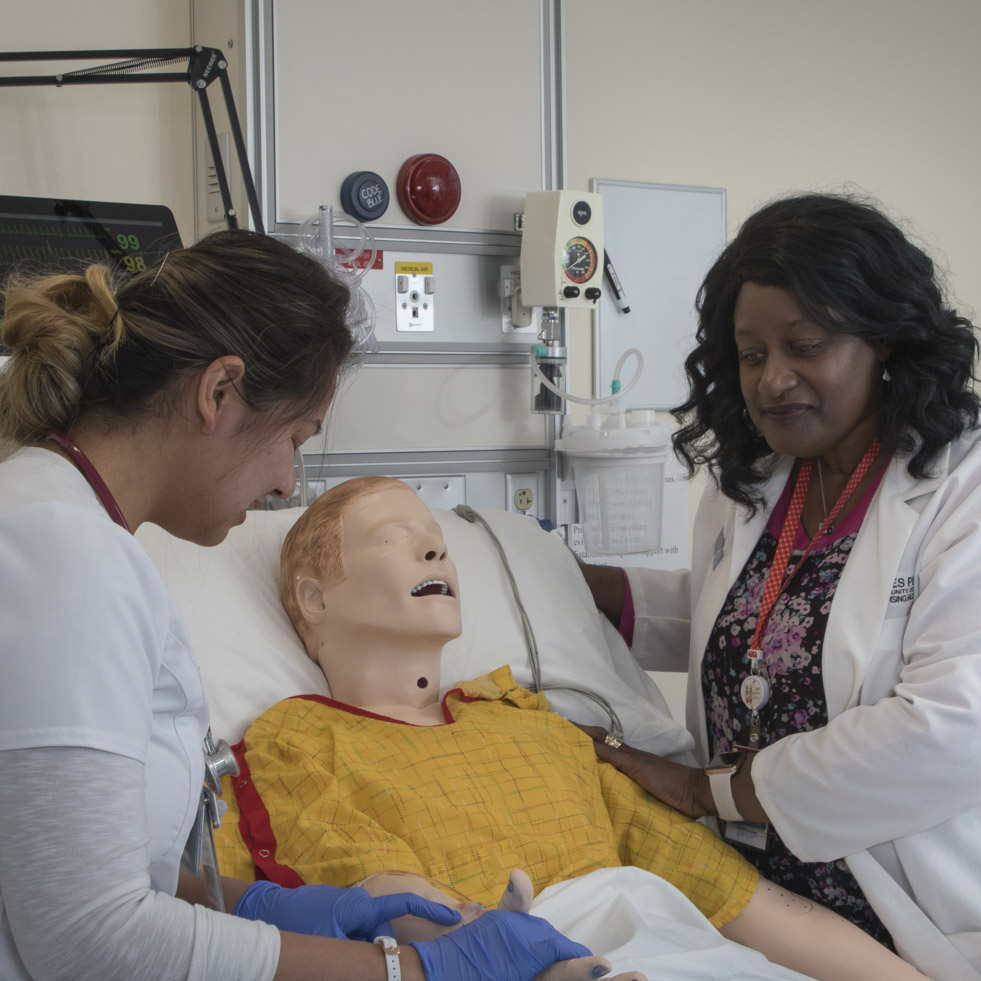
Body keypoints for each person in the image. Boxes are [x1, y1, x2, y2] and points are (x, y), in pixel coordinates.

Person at [0, 230, 625, 981]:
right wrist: (408, 970)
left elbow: (85, 868)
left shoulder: (64, 529)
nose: (285, 482)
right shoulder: (65, 553)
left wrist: (271, 905)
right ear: (218, 392)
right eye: (295, 437)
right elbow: (86, 936)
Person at [215, 474, 928, 981]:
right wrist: (540, 962)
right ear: (314, 599)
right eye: (392, 539)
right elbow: (390, 902)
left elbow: (730, 893)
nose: (435, 552)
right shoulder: (295, 742)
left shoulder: (536, 727)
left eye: (437, 540)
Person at [577, 191, 981, 981]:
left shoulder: (959, 487)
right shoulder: (758, 480)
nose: (772, 380)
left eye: (804, 346)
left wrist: (709, 791)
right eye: (750, 354)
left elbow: (952, 726)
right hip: (752, 898)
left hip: (907, 912)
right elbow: (752, 628)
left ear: (884, 339)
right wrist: (578, 586)